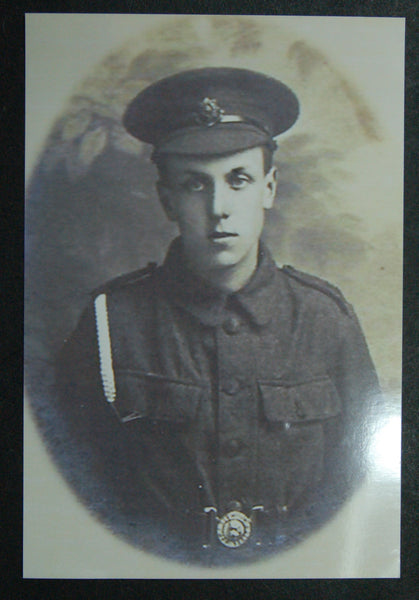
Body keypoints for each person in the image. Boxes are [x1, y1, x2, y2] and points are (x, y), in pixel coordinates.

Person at [55, 67, 380, 565]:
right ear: (167, 199)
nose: (219, 207)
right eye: (193, 185)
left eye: (239, 179)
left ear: (268, 188)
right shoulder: (109, 323)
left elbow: (360, 485)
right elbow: (75, 494)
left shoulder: (325, 318)